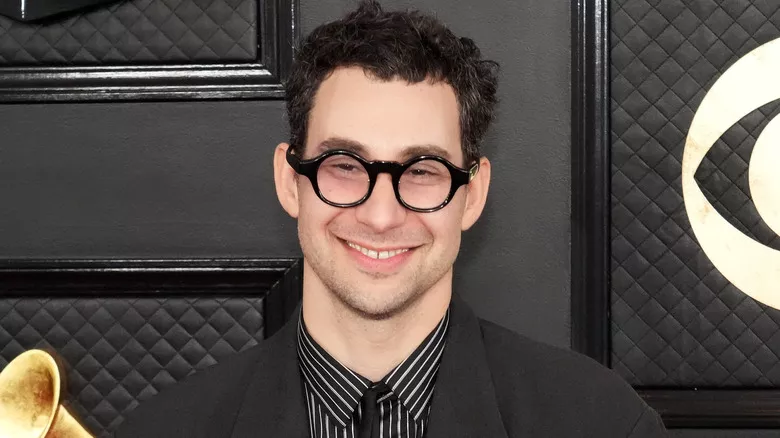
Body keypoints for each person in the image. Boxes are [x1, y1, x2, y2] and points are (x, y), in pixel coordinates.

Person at [114, 1, 667, 437]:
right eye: (344, 165)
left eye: (422, 170)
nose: (381, 215)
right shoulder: (164, 430)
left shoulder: (605, 425)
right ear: (289, 180)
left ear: (473, 195)